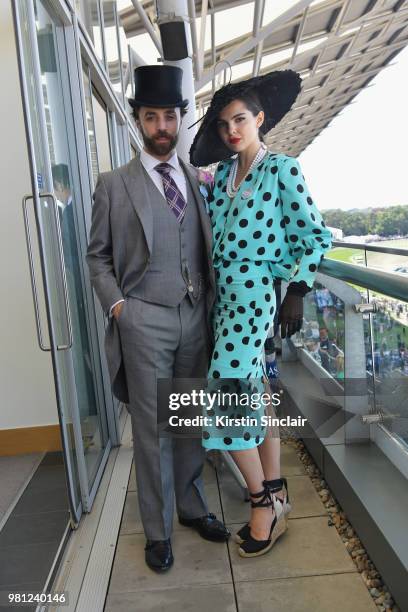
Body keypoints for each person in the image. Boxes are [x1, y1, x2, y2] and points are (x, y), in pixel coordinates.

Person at [86, 65, 229, 573]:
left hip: (195, 316)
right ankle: (157, 530)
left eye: (169, 116)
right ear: (138, 122)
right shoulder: (113, 185)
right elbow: (97, 257)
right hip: (143, 318)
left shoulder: (195, 177)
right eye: (152, 117)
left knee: (188, 420)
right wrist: (119, 308)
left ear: (179, 119)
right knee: (152, 430)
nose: (162, 126)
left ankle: (191, 507)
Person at [189, 69, 332, 558]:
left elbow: (316, 235)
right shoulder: (223, 177)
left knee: (223, 398)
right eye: (226, 123)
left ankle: (261, 504)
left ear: (260, 119)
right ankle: (277, 489)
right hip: (222, 299)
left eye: (241, 119)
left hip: (255, 297)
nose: (233, 130)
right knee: (256, 395)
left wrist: (297, 290)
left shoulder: (282, 169)